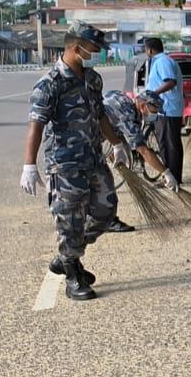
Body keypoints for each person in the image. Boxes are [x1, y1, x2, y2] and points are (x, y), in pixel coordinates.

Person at [19, 24, 134, 301]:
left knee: (106, 211)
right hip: (65, 164)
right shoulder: (50, 83)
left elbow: (100, 115)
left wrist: (117, 143)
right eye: (94, 49)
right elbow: (36, 125)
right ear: (76, 47)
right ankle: (72, 275)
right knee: (70, 219)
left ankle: (65, 256)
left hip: (93, 158)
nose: (97, 54)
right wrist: (29, 166)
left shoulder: (92, 79)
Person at [99, 88, 174, 232]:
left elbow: (109, 119)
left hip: (89, 135)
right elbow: (143, 151)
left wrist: (115, 149)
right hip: (87, 140)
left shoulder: (122, 97)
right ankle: (107, 221)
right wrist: (166, 173)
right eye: (153, 111)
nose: (154, 115)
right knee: (104, 183)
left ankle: (99, 220)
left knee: (97, 182)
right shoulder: (128, 116)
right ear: (143, 105)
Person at [142, 36, 185, 186]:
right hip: (161, 110)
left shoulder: (163, 61)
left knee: (170, 144)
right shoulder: (158, 61)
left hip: (168, 109)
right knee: (164, 144)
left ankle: (174, 177)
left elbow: (170, 82)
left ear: (149, 50)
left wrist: (154, 93)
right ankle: (168, 176)